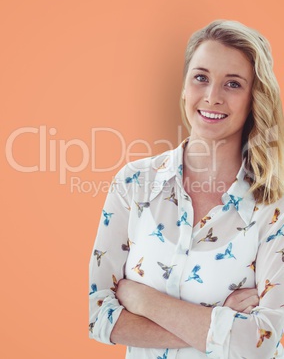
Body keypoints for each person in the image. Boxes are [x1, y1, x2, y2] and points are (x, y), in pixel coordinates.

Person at [89, 20, 284, 358]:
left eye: (233, 84)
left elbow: (264, 341)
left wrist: (143, 300)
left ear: (255, 98)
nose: (212, 96)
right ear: (183, 87)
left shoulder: (274, 204)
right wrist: (219, 321)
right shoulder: (134, 183)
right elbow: (99, 318)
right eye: (201, 78)